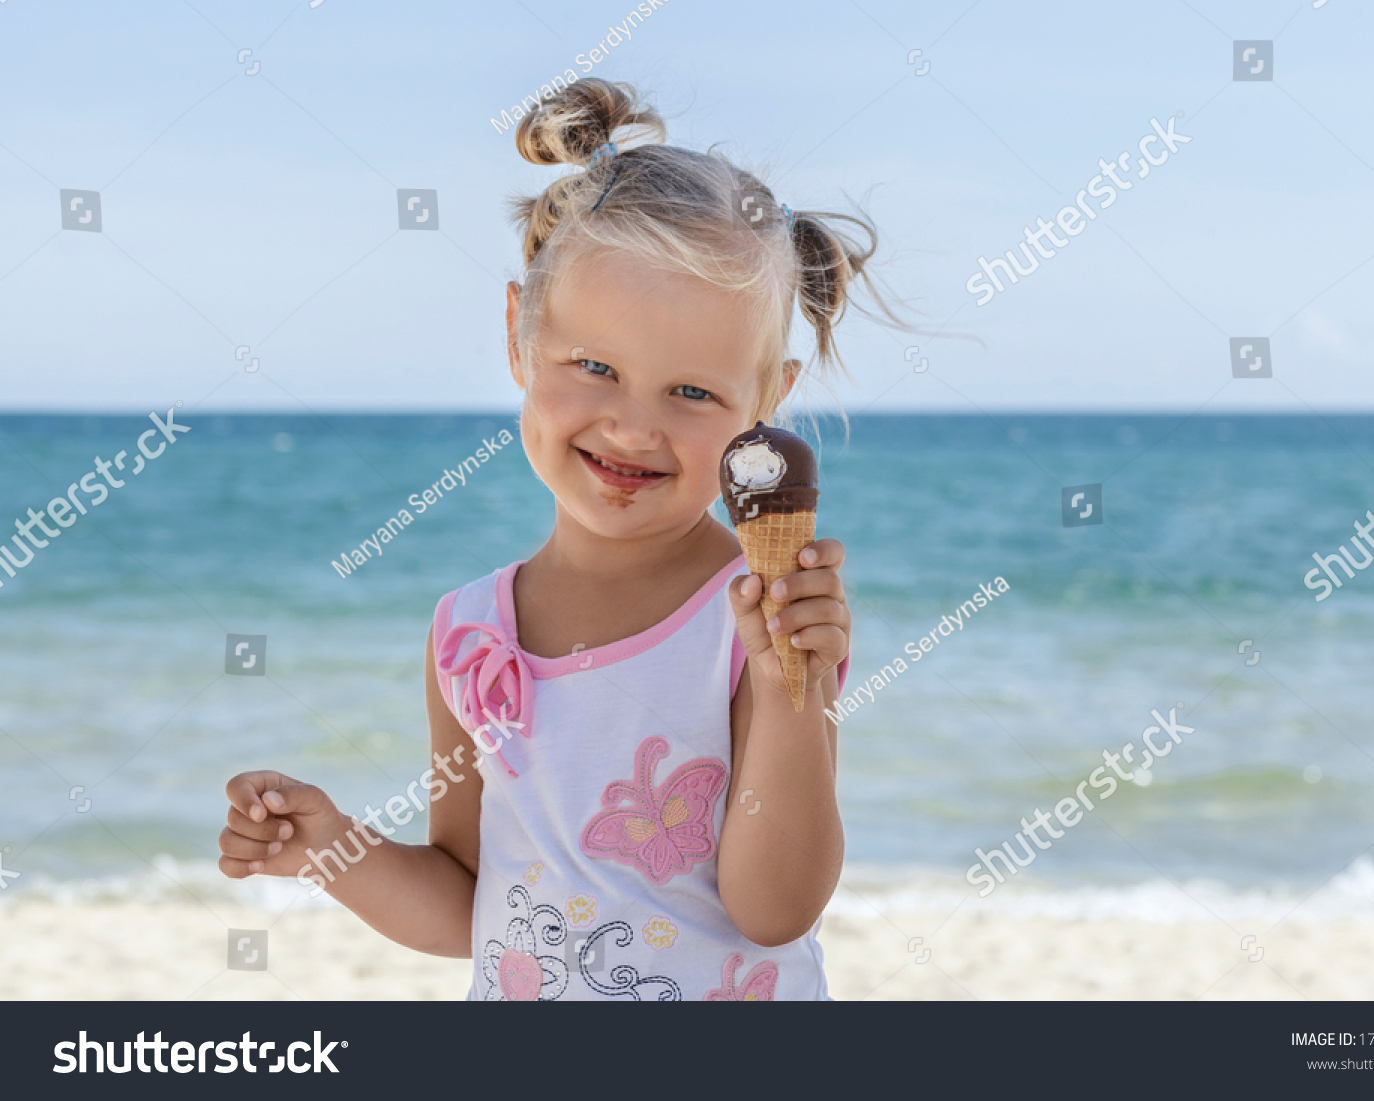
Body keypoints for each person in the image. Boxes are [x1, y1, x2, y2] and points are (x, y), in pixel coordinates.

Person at [218, 77, 895, 1000]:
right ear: (518, 338)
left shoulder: (758, 618)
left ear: (765, 402)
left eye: (692, 392)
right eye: (595, 368)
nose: (633, 427)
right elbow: (469, 903)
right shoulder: (469, 632)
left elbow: (773, 909)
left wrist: (787, 687)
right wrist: (336, 847)